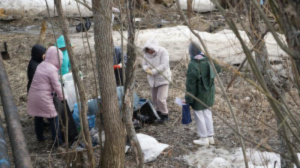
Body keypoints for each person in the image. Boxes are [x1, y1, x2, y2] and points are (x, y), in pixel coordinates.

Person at [184, 42, 221, 146]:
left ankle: (204, 138)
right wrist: (210, 77)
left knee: (199, 115)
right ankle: (210, 137)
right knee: (208, 113)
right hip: (209, 93)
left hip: (198, 95)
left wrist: (188, 99)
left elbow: (191, 85)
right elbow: (218, 68)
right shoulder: (208, 59)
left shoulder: (193, 64)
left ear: (190, 52)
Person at [27, 46, 64, 146]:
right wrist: (62, 98)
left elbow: (45, 79)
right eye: (60, 59)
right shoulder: (52, 69)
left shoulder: (42, 65)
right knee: (54, 117)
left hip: (33, 94)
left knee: (38, 116)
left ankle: (40, 137)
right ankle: (57, 142)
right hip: (43, 97)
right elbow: (56, 86)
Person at [142, 39, 172, 123]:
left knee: (161, 99)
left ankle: (165, 115)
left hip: (163, 78)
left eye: (151, 49)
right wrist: (146, 69)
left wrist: (153, 71)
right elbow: (144, 64)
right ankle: (159, 112)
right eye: (148, 49)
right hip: (152, 79)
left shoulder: (163, 52)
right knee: (155, 99)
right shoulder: (146, 54)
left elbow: (164, 65)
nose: (150, 51)